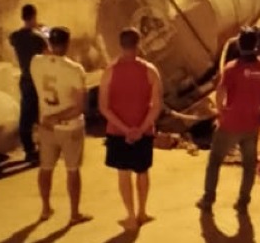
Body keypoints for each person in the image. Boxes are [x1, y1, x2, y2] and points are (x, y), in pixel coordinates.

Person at [196, 27, 260, 214]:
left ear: (239, 44)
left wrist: (221, 109)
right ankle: (243, 202)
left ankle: (208, 199)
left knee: (214, 161)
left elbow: (220, 92)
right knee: (249, 165)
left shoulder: (231, 69)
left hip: (229, 124)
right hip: (252, 124)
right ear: (256, 44)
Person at [99, 28, 163, 231]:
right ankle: (143, 212)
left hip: (118, 132)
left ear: (120, 44)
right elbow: (157, 105)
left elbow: (103, 107)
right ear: (139, 43)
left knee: (123, 173)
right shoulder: (150, 70)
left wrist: (125, 130)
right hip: (143, 131)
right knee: (142, 171)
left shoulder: (109, 71)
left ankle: (130, 217)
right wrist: (140, 129)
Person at [30, 27, 92, 226]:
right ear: (67, 44)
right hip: (69, 127)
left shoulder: (36, 63)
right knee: (72, 170)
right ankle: (74, 213)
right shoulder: (74, 70)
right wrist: (57, 117)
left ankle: (45, 208)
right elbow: (80, 107)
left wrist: (50, 119)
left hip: (46, 126)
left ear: (49, 43)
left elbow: (44, 58)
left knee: (45, 168)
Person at [9, 4, 49, 163]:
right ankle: (45, 146)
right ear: (34, 16)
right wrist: (43, 31)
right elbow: (49, 53)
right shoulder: (37, 37)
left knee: (26, 116)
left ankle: (29, 149)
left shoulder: (15, 37)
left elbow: (14, 39)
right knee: (43, 114)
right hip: (39, 79)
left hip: (25, 78)